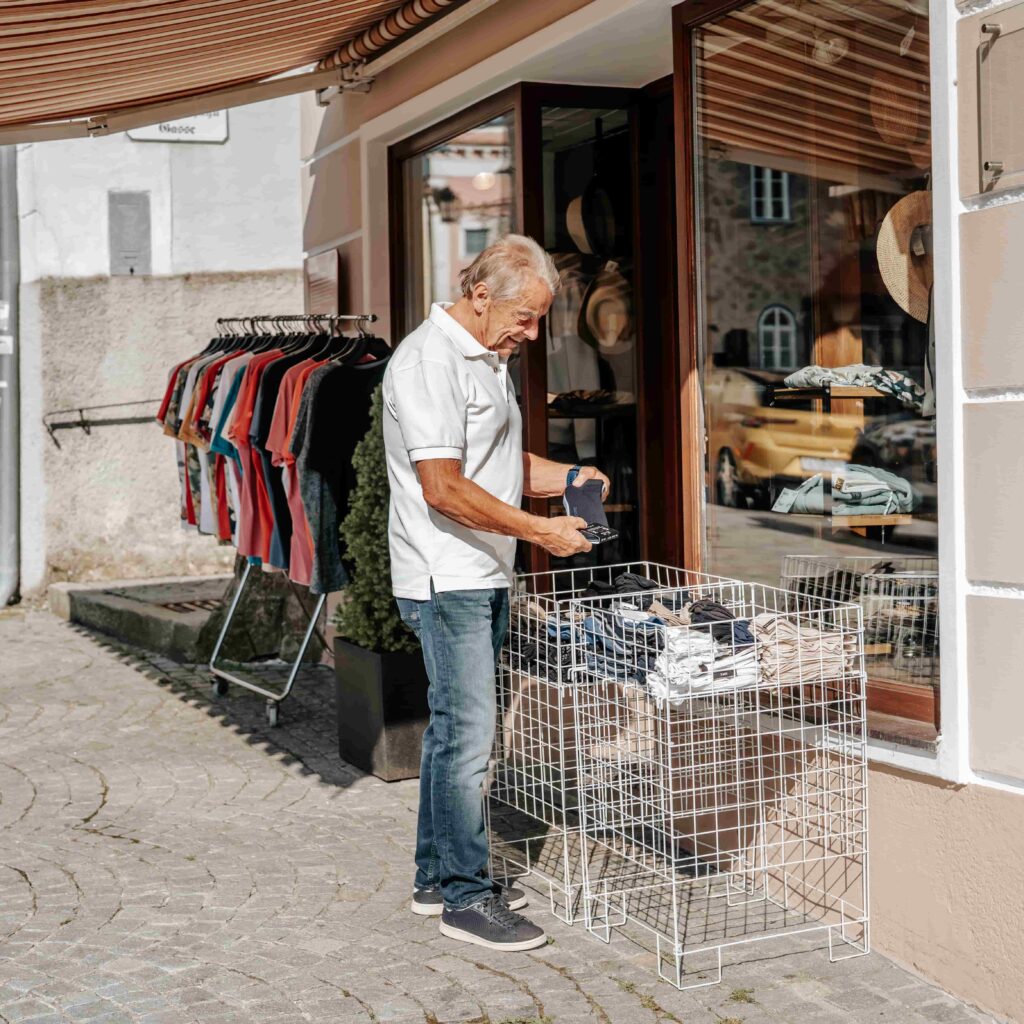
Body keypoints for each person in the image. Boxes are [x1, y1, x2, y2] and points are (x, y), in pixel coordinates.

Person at [382, 234, 610, 952]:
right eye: (525, 315)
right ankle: (466, 899)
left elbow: (498, 465)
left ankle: (432, 879)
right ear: (480, 295)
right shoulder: (428, 361)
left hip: (483, 573)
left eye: (540, 318)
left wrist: (570, 478)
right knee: (469, 740)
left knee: (456, 732)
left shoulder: (486, 357)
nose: (533, 332)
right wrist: (542, 534)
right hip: (446, 577)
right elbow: (444, 487)